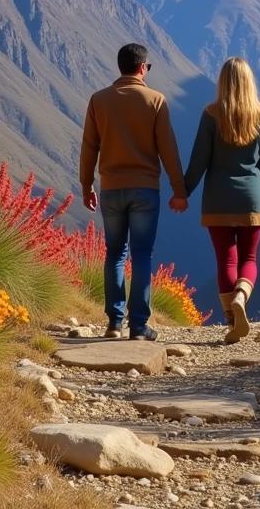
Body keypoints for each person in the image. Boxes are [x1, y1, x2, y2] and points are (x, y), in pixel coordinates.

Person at [80, 43, 189, 341]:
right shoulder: (155, 100)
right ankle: (139, 326)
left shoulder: (98, 100)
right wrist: (179, 190)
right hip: (145, 189)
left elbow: (90, 146)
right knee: (142, 254)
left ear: (121, 67)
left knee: (115, 253)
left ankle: (114, 322)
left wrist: (86, 184)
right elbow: (168, 149)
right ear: (143, 68)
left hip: (111, 189)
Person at [184, 57, 260, 343]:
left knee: (226, 258)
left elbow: (199, 159)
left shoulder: (211, 114)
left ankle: (231, 319)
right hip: (253, 198)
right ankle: (242, 295)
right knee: (249, 257)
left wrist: (183, 192)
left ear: (222, 82)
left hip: (217, 199)